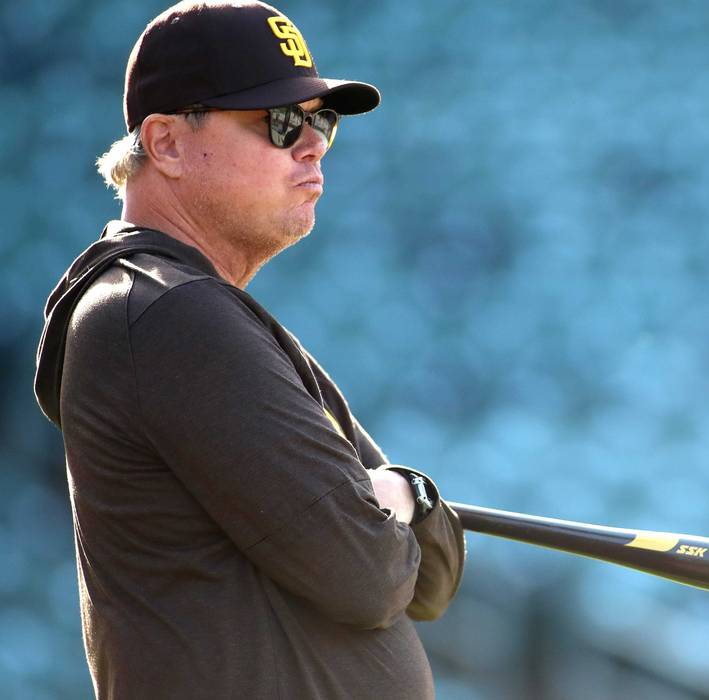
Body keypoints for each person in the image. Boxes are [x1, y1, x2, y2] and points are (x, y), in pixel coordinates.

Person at [32, 2, 466, 698]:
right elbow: (370, 572)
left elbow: (435, 572)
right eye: (279, 122)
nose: (314, 145)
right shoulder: (171, 315)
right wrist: (400, 501)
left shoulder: (197, 312)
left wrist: (401, 498)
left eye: (321, 121)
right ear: (167, 143)